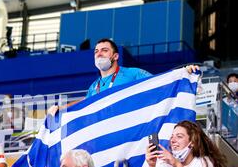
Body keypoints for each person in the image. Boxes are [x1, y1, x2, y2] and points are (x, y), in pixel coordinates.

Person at [48, 38, 199, 115]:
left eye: (104, 50)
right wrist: (61, 108)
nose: (99, 53)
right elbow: (84, 103)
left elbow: (160, 83)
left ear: (115, 56)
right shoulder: (94, 86)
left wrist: (184, 73)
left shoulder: (133, 74)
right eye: (96, 51)